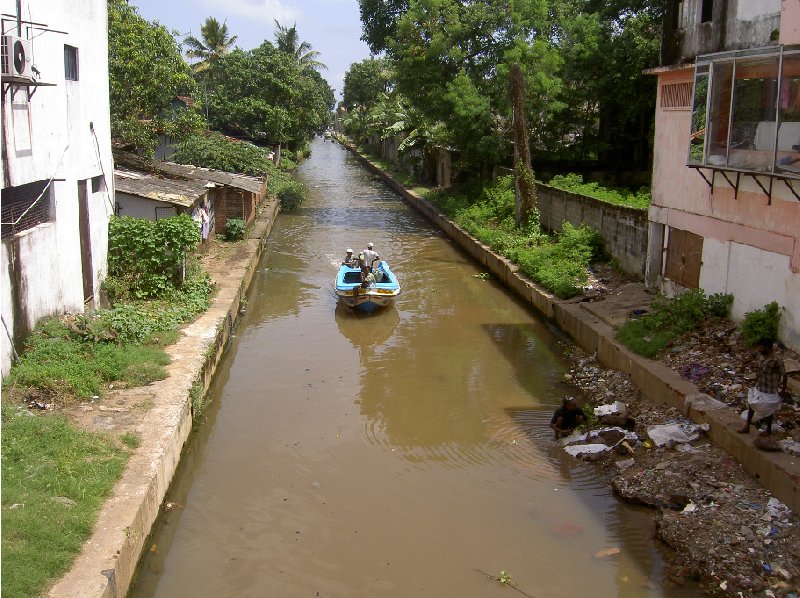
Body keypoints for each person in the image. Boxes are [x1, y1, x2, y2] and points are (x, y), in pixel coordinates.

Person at [738, 339, 787, 437]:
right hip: (759, 386)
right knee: (751, 405)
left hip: (769, 389)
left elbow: (784, 375)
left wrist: (783, 390)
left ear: (768, 347)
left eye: (761, 347)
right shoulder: (762, 356)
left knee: (767, 410)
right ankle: (747, 426)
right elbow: (757, 364)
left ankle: (768, 430)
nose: (759, 349)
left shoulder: (776, 360)